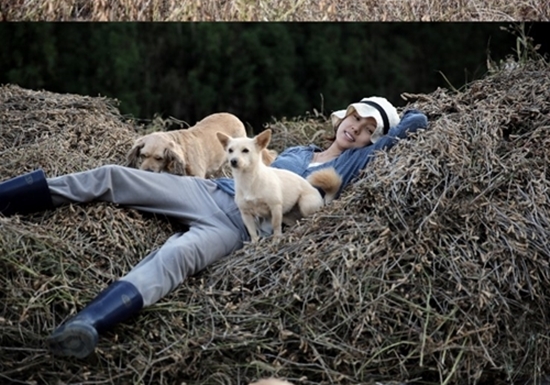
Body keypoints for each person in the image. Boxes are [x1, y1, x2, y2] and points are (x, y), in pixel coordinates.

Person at [0, 96, 427, 359]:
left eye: (368, 129)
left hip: (239, 230)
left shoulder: (350, 162)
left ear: (373, 140)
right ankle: (10, 196)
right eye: (355, 118)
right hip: (214, 193)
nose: (356, 128)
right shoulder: (297, 149)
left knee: (176, 258)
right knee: (116, 176)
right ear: (341, 117)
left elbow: (412, 126)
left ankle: (87, 324)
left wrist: (398, 121)